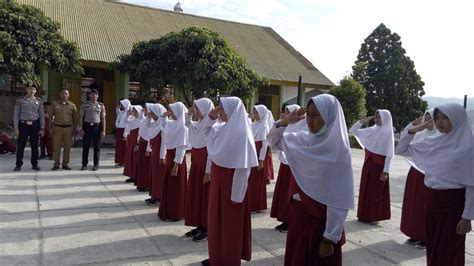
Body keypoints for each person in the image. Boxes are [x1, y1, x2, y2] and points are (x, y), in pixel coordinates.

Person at [267, 94, 354, 266]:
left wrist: (329, 239)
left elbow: (339, 201)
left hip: (320, 227)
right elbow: (273, 140)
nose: (309, 120)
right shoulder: (304, 141)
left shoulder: (339, 154)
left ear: (329, 117)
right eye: (308, 114)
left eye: (315, 115)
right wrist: (286, 122)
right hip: (299, 220)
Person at [396, 103, 473, 266]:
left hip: (453, 206)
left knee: (450, 249)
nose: (439, 122)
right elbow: (401, 149)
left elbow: (471, 186)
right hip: (431, 201)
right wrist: (413, 128)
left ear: (457, 119)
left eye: (445, 117)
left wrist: (467, 217)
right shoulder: (433, 143)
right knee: (433, 246)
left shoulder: (468, 148)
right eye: (437, 117)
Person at [203, 96, 258, 266]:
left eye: (223, 107)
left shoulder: (242, 133)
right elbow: (205, 135)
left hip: (232, 186)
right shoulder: (220, 128)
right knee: (215, 223)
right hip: (218, 182)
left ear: (233, 111)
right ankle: (216, 257)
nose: (219, 110)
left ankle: (228, 260)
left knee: (229, 226)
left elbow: (243, 168)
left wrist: (237, 196)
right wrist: (210, 118)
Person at [400, 110, 438, 249]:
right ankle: (414, 233)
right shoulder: (419, 135)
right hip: (415, 172)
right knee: (414, 205)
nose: (428, 120)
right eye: (426, 117)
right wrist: (414, 127)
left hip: (430, 175)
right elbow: (402, 148)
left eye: (432, 118)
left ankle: (427, 237)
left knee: (426, 205)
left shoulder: (440, 136)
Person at [349, 109, 394, 223]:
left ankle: (374, 217)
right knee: (365, 188)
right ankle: (363, 214)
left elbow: (389, 154)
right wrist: (361, 121)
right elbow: (352, 130)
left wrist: (386, 171)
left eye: (379, 117)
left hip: (379, 167)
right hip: (368, 163)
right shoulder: (372, 130)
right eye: (376, 116)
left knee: (375, 191)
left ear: (385, 119)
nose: (377, 119)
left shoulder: (388, 133)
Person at [184, 98, 216, 242]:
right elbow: (186, 124)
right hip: (197, 164)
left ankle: (206, 228)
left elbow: (211, 151)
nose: (195, 110)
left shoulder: (212, 125)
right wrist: (189, 114)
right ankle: (198, 224)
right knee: (196, 195)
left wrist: (208, 172)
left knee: (205, 197)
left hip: (205, 166)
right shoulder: (199, 124)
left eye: (197, 108)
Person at [270, 104, 305, 233]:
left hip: (295, 167)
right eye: (285, 112)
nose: (285, 115)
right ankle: (285, 219)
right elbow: (272, 140)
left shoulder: (301, 129)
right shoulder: (286, 127)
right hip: (285, 165)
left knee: (292, 195)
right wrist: (283, 122)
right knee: (284, 194)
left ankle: (291, 220)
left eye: (289, 112)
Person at [158, 102, 189, 221]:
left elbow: (181, 148)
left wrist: (176, 165)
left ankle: (176, 213)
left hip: (177, 160)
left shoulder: (183, 128)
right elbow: (164, 124)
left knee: (176, 187)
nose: (171, 113)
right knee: (169, 186)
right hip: (170, 157)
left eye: (173, 111)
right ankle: (167, 211)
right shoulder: (171, 124)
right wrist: (163, 116)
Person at [248, 104, 274, 212]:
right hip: (253, 153)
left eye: (257, 112)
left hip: (258, 155)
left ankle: (257, 205)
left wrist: (261, 160)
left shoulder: (264, 126)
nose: (255, 114)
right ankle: (251, 203)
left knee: (256, 182)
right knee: (251, 181)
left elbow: (264, 145)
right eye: (255, 112)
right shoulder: (254, 124)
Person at [13, 85, 45, 171]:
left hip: (35, 125)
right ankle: (18, 164)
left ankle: (35, 164)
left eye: (34, 89)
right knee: (21, 146)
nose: (32, 90)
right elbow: (16, 115)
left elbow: (42, 116)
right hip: (23, 125)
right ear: (26, 89)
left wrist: (42, 128)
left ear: (35, 91)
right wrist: (16, 128)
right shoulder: (20, 100)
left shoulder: (39, 101)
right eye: (30, 88)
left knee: (35, 146)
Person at [144, 103, 167, 206]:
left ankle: (159, 197)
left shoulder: (163, 126)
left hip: (159, 154)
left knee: (159, 176)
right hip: (154, 153)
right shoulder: (155, 124)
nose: (151, 114)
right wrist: (148, 118)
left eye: (153, 112)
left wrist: (162, 156)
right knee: (154, 174)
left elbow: (164, 143)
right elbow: (147, 126)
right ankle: (153, 195)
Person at [80, 89, 106, 171]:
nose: (94, 96)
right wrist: (81, 129)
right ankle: (84, 164)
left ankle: (96, 164)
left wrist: (103, 130)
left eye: (96, 95)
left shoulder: (101, 106)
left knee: (97, 147)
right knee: (85, 146)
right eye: (92, 94)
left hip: (97, 127)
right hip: (87, 127)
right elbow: (81, 117)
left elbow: (103, 118)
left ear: (98, 96)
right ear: (89, 95)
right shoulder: (84, 105)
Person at [135, 103, 154, 191]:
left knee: (146, 166)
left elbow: (150, 136)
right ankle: (141, 183)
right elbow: (140, 132)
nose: (145, 111)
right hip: (142, 144)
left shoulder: (152, 122)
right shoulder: (145, 120)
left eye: (146, 109)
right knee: (141, 165)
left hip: (147, 145)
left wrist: (148, 148)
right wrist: (138, 143)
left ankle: (146, 184)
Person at [123, 105, 144, 182]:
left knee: (136, 159)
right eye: (133, 111)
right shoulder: (133, 119)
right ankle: (131, 175)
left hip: (136, 141)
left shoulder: (142, 120)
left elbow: (140, 133)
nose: (134, 113)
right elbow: (126, 122)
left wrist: (138, 143)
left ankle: (136, 176)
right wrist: (128, 115)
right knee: (130, 158)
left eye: (136, 111)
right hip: (131, 140)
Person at [115, 99, 131, 167]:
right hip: (119, 130)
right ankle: (120, 161)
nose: (121, 106)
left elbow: (127, 124)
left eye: (122, 104)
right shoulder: (122, 112)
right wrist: (117, 108)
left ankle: (124, 161)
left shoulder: (128, 113)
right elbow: (118, 113)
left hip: (124, 131)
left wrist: (125, 134)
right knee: (119, 147)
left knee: (124, 147)